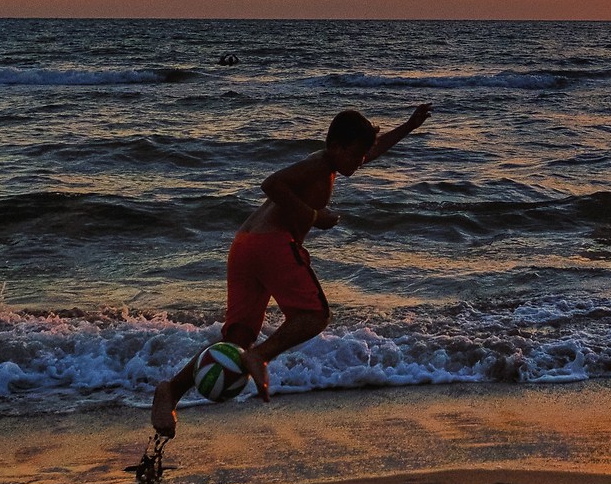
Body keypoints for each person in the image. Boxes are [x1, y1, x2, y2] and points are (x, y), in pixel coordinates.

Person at [149, 102, 432, 437]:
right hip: (271, 244)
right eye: (356, 154)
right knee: (314, 315)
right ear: (335, 147)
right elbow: (272, 184)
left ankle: (171, 391)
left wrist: (409, 126)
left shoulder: (334, 162)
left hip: (245, 245)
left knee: (237, 339)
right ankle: (260, 358)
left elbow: (374, 149)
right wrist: (314, 218)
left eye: (361, 155)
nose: (360, 162)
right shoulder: (319, 164)